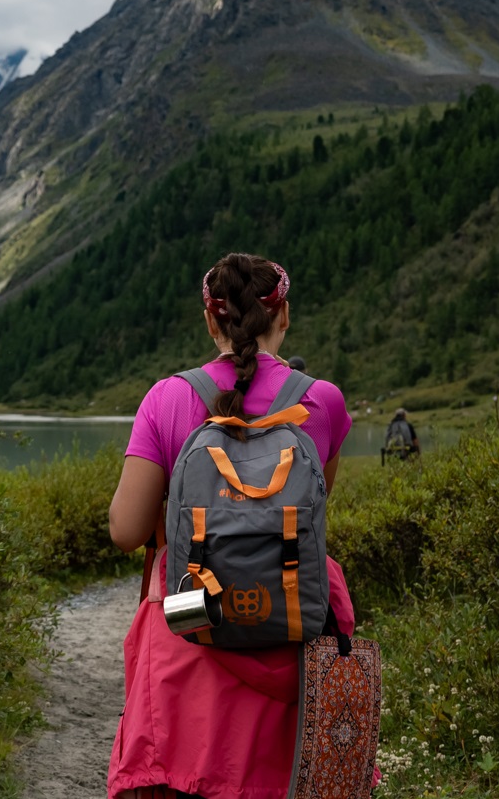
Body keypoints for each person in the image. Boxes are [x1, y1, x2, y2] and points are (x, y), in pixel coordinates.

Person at [106, 252, 357, 799]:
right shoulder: (325, 401)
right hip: (293, 626)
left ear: (210, 320)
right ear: (283, 315)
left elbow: (126, 531)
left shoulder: (167, 398)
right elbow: (310, 508)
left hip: (188, 632)